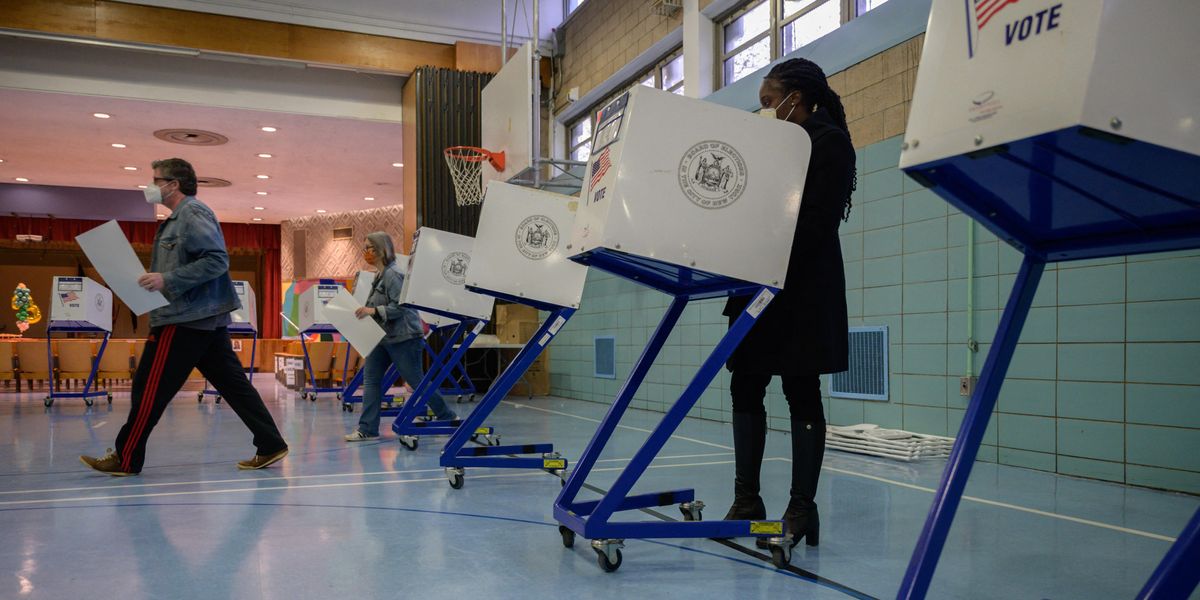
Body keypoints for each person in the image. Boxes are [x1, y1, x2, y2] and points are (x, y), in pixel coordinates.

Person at [721, 58, 856, 549]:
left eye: (766, 101)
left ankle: (802, 508)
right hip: (758, 283)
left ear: (793, 99)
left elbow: (817, 222)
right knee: (745, 384)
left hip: (802, 288)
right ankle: (747, 500)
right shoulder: (771, 145)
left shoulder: (828, 142)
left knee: (801, 390)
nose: (764, 110)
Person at [81, 158, 288, 476]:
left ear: (172, 185)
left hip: (185, 319)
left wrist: (168, 280)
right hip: (204, 319)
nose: (150, 186)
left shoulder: (192, 212)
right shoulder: (178, 218)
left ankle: (126, 457)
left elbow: (217, 260)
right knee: (234, 386)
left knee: (149, 388)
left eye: (155, 179)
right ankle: (271, 443)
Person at [344, 232, 457, 442]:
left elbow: (402, 307)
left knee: (416, 381)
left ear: (380, 250)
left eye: (368, 248)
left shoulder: (393, 274)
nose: (365, 252)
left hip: (404, 337)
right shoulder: (379, 274)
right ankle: (367, 429)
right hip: (383, 338)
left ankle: (448, 418)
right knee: (371, 381)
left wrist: (373, 311)